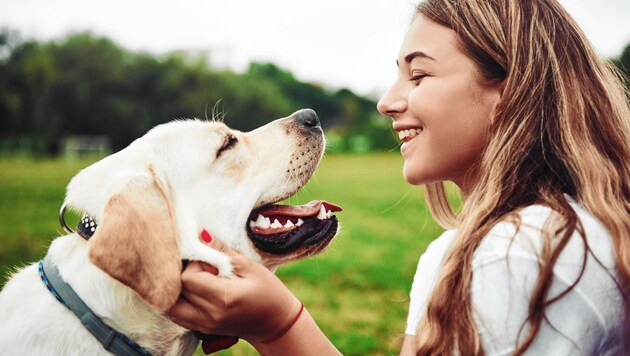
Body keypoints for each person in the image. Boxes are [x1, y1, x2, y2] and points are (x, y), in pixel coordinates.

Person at [166, 0, 630, 354]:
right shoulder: (451, 253)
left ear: (511, 92)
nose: (387, 101)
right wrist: (272, 325)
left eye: (419, 75)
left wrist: (279, 324)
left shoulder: (522, 252)